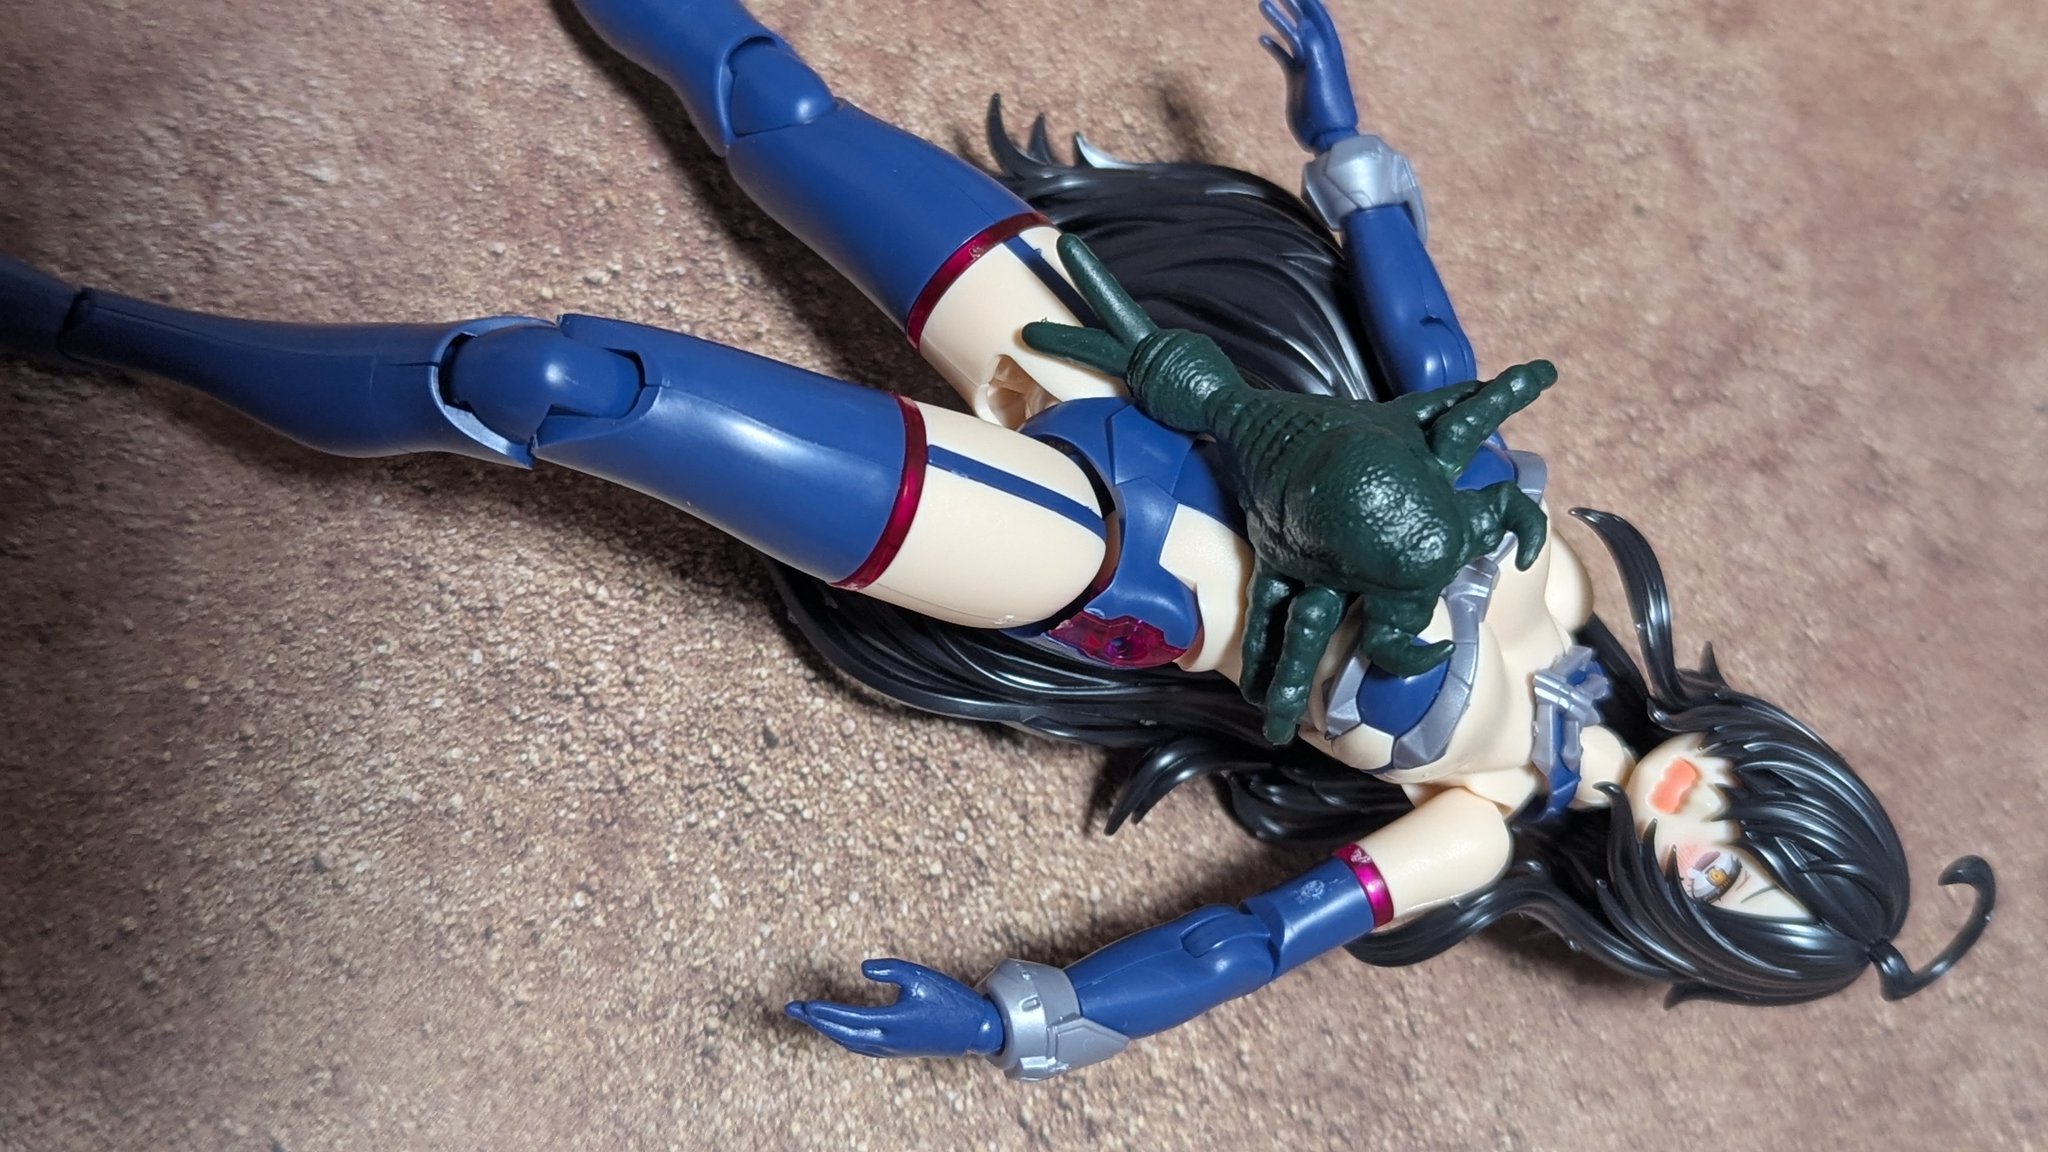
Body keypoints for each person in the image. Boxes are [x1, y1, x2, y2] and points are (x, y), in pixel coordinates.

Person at [0, 0, 1991, 1082]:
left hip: (1071, 542)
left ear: (1680, 924)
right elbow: (1438, 363)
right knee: (768, 105)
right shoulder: (1560, 573)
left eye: (1734, 894)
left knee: (553, 386)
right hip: (1124, 365)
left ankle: (102, 329)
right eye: (1771, 834)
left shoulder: (1471, 823)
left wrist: (1029, 1018)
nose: (1713, 839)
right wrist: (1353, 156)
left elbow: (1250, 942)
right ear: (1784, 766)